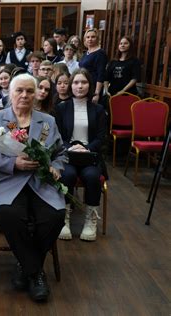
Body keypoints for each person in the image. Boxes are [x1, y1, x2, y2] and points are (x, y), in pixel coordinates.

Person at [0, 73, 66, 302]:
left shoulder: (48, 121)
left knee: (56, 214)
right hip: (7, 181)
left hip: (40, 181)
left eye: (30, 91)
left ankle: (24, 265)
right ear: (10, 92)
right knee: (10, 214)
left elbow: (61, 153)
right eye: (19, 90)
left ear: (36, 94)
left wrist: (56, 166)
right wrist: (12, 163)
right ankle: (36, 273)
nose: (25, 95)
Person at [54, 68, 107, 242]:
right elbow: (58, 136)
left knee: (92, 177)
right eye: (76, 82)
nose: (79, 86)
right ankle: (64, 220)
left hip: (90, 155)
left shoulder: (98, 110)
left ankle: (90, 221)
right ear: (71, 85)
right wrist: (71, 147)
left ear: (90, 85)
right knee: (67, 175)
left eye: (84, 82)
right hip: (67, 154)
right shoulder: (62, 108)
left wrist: (87, 148)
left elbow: (101, 137)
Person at [79, 28, 108, 104]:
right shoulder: (86, 53)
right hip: (84, 84)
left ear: (97, 38)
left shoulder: (100, 53)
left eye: (93, 37)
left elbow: (101, 74)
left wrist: (97, 93)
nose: (90, 39)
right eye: (88, 37)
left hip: (93, 87)